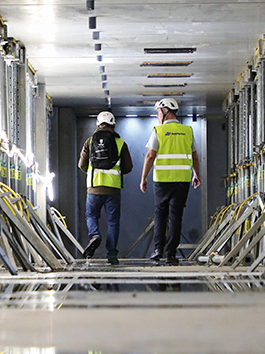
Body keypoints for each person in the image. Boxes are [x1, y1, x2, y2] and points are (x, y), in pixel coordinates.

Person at [139, 98, 201, 266]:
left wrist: (144, 177)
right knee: (176, 217)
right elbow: (195, 156)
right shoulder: (187, 130)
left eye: (159, 112)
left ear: (165, 111)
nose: (158, 115)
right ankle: (171, 254)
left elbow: (150, 155)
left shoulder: (158, 131)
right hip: (182, 181)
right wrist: (197, 174)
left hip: (162, 181)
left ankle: (158, 249)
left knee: (160, 214)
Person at [79, 111, 133, 265]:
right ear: (113, 124)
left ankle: (94, 235)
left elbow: (81, 165)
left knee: (91, 215)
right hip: (113, 189)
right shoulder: (120, 143)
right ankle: (112, 255)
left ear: (98, 124)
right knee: (113, 222)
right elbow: (128, 167)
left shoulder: (89, 142)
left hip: (94, 187)